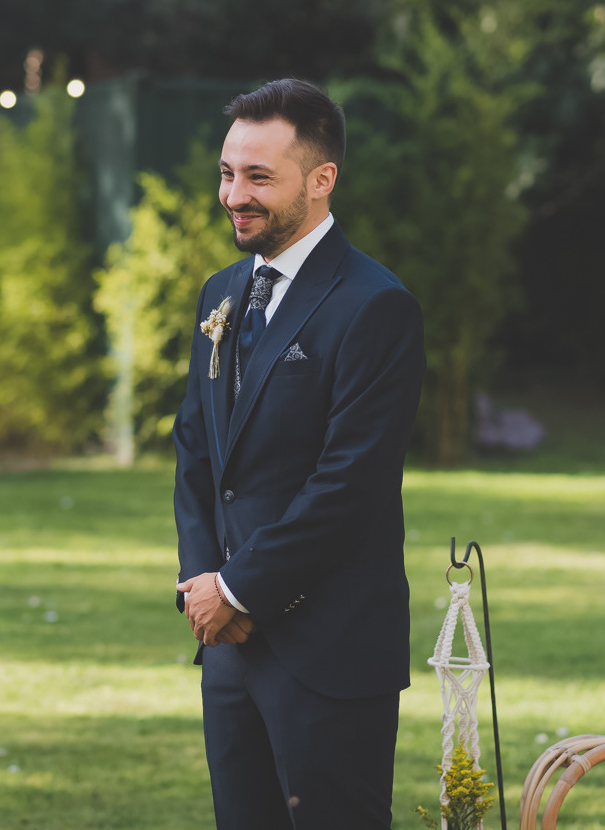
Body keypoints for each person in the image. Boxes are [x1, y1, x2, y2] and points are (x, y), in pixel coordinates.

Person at [173, 78, 425, 829]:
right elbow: (196, 453)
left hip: (330, 651)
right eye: (227, 173)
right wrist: (203, 588)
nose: (234, 196)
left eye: (258, 177)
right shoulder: (221, 293)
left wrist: (239, 590)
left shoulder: (374, 305)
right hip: (228, 648)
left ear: (322, 180)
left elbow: (349, 484)